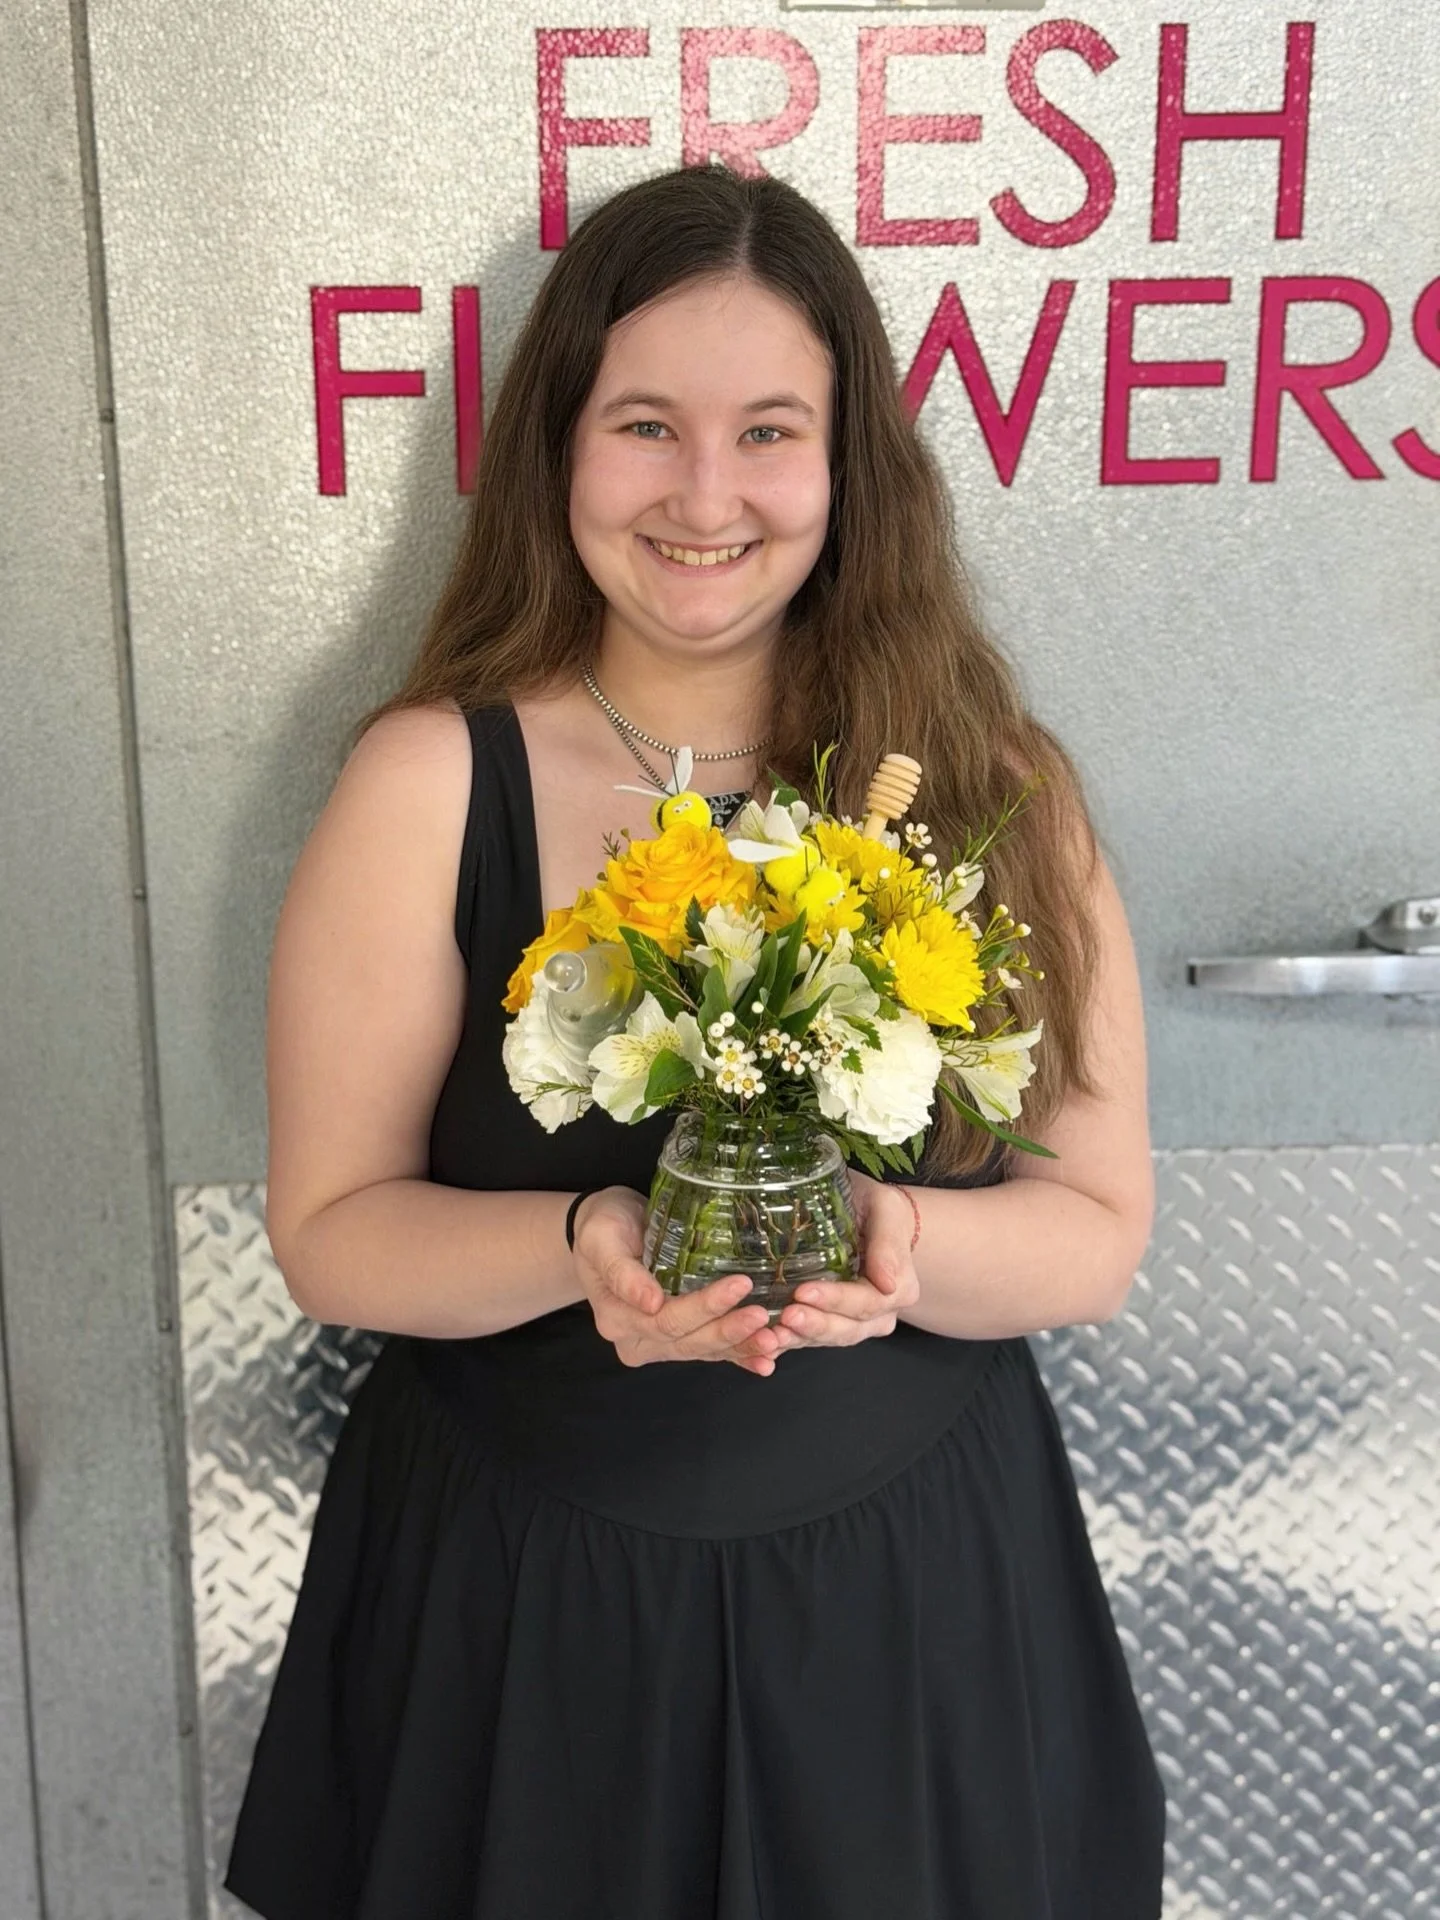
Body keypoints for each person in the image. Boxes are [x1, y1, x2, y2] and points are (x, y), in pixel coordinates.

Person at [224, 162, 1165, 1920]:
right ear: (558, 451)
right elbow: (333, 1234)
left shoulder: (991, 787)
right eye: (646, 425)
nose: (707, 494)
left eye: (770, 431)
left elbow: (1097, 1229)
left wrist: (910, 1242)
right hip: (524, 1611)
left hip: (911, 1608)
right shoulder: (431, 784)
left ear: (845, 468)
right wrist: (586, 1243)